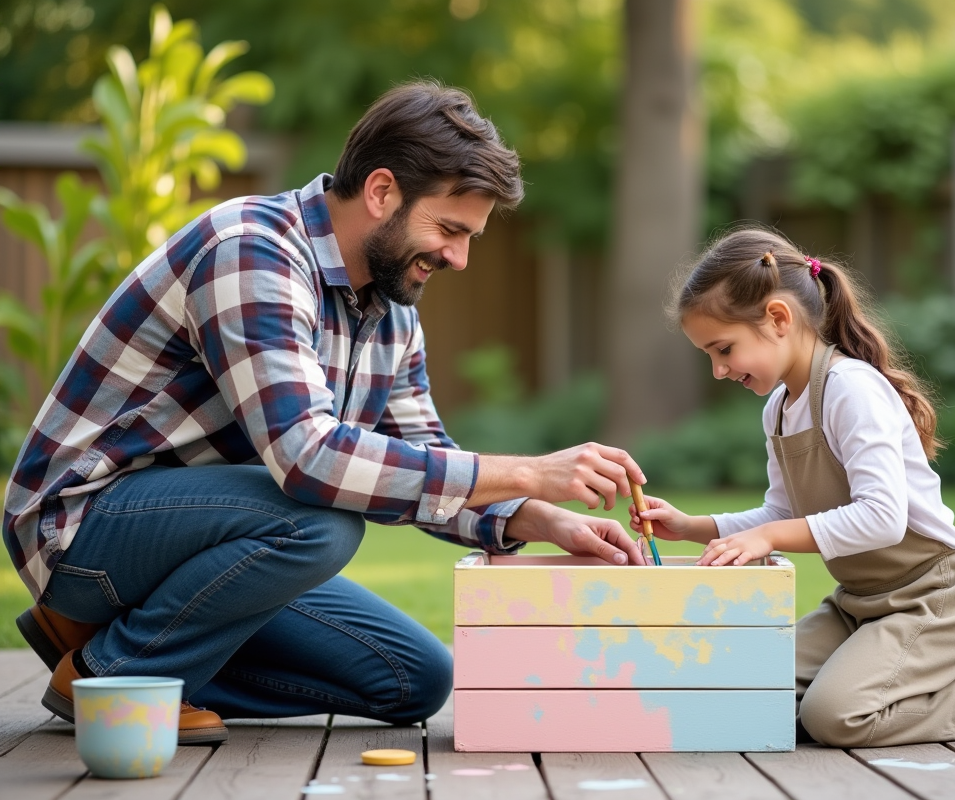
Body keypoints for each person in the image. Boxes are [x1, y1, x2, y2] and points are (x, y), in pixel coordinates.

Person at [4, 81, 645, 745]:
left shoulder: (393, 316)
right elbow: (308, 461)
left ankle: (124, 648)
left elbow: (427, 460)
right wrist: (525, 473)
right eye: (450, 229)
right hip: (83, 529)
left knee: (412, 680)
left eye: (470, 237)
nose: (458, 257)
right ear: (381, 192)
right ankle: (113, 675)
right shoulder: (251, 250)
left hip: (208, 544)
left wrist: (538, 517)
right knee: (323, 519)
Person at [628, 228, 955, 748]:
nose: (717, 370)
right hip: (860, 605)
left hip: (933, 599)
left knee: (834, 717)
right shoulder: (777, 409)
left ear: (778, 319)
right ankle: (897, 676)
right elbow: (778, 511)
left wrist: (772, 538)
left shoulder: (851, 388)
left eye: (724, 349)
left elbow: (882, 517)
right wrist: (692, 528)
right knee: (748, 684)